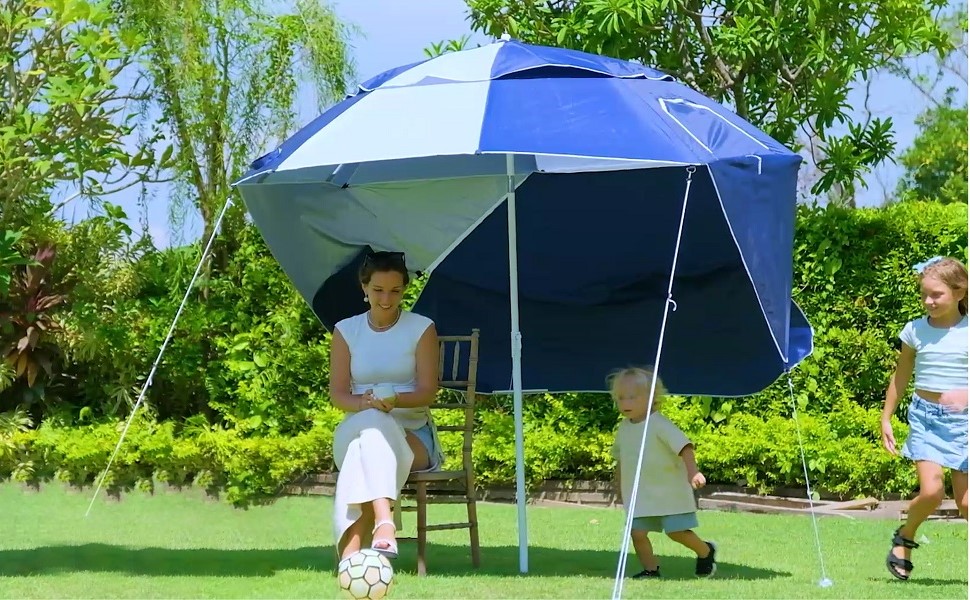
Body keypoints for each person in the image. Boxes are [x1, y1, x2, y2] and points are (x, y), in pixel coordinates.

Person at [328, 250, 444, 561]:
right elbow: (338, 395)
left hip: (412, 435)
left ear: (404, 290)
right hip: (354, 428)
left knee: (368, 445)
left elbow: (428, 393)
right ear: (364, 288)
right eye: (378, 290)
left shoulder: (422, 328)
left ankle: (350, 558)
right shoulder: (346, 330)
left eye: (395, 291)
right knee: (372, 425)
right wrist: (364, 403)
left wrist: (393, 402)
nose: (386, 299)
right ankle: (384, 522)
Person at [881, 256, 969, 581]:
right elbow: (901, 375)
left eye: (936, 294)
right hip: (927, 418)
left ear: (959, 292)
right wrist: (886, 417)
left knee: (966, 503)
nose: (929, 301)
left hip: (964, 423)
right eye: (924, 295)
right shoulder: (915, 330)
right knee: (931, 493)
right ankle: (906, 535)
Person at [609, 366, 717, 579]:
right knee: (637, 533)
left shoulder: (659, 424)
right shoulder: (624, 428)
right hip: (640, 494)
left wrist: (693, 473)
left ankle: (705, 551)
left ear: (651, 398)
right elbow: (622, 459)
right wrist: (619, 486)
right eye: (620, 398)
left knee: (676, 532)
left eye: (632, 397)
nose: (625, 403)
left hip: (669, 491)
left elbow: (685, 447)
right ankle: (651, 569)